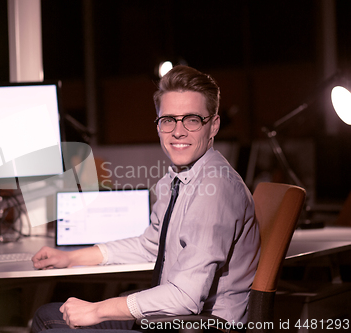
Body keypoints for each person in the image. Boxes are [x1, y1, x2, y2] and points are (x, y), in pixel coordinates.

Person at [30, 65, 260, 332]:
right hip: (175, 320)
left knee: (52, 325)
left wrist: (97, 310)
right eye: (168, 120)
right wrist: (72, 258)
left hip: (200, 326)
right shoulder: (179, 178)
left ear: (214, 126)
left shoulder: (215, 189)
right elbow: (150, 245)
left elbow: (185, 298)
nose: (178, 131)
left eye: (192, 119)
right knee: (48, 314)